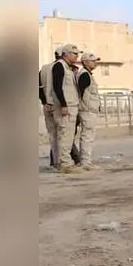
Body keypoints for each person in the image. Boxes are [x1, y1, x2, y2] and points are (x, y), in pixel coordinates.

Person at [49, 43, 83, 173]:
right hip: (65, 107)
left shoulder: (68, 68)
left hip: (71, 106)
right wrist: (63, 104)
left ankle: (65, 161)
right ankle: (65, 163)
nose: (76, 56)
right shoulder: (59, 66)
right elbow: (57, 86)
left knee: (68, 136)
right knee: (65, 135)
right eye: (75, 54)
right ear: (66, 54)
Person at [76, 52, 102, 169]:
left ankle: (86, 160)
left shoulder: (87, 75)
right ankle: (85, 162)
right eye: (93, 61)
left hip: (89, 109)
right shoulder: (84, 75)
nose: (95, 63)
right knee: (87, 136)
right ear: (85, 62)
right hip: (87, 110)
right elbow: (80, 92)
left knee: (88, 136)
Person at [39, 49, 62, 168]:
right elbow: (60, 87)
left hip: (47, 105)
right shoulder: (60, 67)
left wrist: (44, 101)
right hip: (58, 105)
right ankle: (62, 161)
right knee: (63, 134)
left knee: (52, 135)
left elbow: (39, 86)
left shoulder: (44, 68)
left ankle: (56, 161)